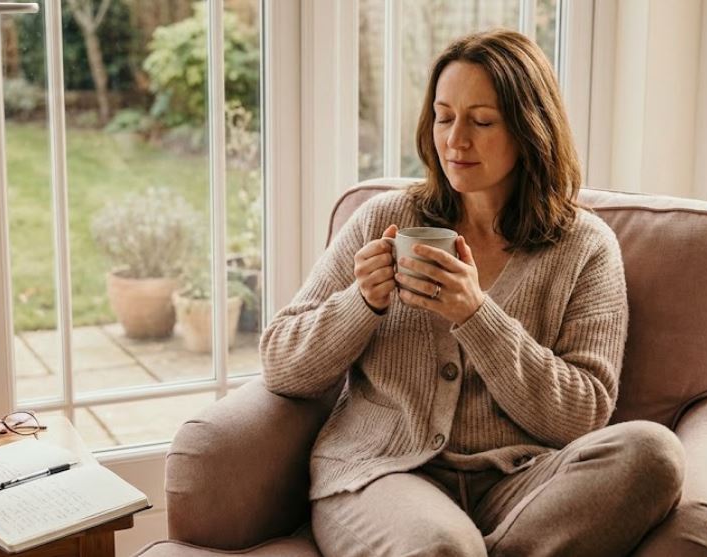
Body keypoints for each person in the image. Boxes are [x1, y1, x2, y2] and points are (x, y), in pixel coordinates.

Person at [260, 28, 684, 556]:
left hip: (522, 484)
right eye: (444, 118)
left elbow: (583, 413)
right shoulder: (385, 219)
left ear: (530, 129)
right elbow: (281, 364)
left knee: (653, 453)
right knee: (443, 546)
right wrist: (360, 303)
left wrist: (477, 315)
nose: (455, 140)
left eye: (481, 121)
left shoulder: (585, 247)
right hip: (385, 472)